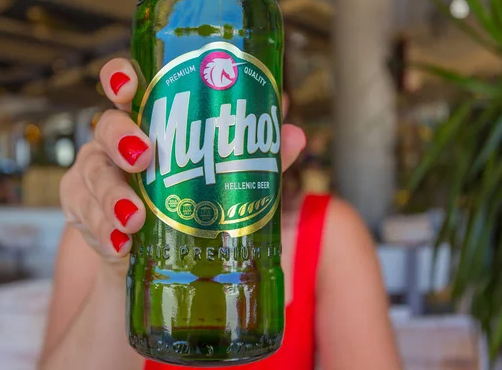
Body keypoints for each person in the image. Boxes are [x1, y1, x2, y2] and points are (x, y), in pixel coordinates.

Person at [39, 59, 403, 370]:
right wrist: (118, 273)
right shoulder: (101, 226)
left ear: (278, 111)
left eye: (232, 105)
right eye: (198, 110)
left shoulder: (331, 230)